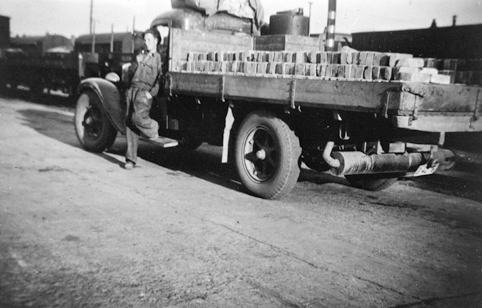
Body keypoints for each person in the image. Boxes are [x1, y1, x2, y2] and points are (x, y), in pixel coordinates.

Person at [124, 27, 163, 170]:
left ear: (156, 41)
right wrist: (136, 63)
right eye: (145, 40)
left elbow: (160, 79)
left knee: (137, 118)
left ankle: (153, 128)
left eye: (149, 40)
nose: (146, 43)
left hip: (144, 93)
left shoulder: (158, 58)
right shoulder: (141, 55)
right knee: (129, 123)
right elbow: (130, 73)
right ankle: (130, 159)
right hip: (132, 90)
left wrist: (151, 93)